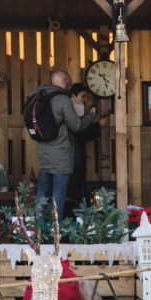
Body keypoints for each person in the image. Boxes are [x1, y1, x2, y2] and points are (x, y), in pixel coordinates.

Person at [28, 70, 102, 218]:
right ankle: (56, 229)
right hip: (61, 156)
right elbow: (77, 126)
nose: (69, 87)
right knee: (58, 193)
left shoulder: (37, 96)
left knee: (42, 191)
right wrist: (91, 115)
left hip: (44, 154)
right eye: (68, 83)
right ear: (63, 83)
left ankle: (37, 226)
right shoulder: (62, 99)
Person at [65, 83, 101, 216]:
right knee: (74, 190)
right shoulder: (74, 109)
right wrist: (97, 125)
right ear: (73, 95)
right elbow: (79, 131)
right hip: (73, 159)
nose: (85, 100)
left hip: (70, 159)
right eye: (83, 96)